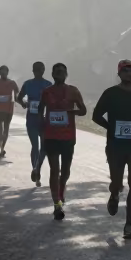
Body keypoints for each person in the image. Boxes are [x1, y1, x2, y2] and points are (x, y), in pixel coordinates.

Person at [92, 60, 131, 239]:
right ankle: (114, 194)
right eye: (124, 70)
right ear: (119, 73)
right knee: (117, 182)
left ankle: (128, 225)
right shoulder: (110, 93)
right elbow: (96, 116)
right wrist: (110, 127)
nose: (128, 73)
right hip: (115, 145)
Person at [38, 63, 86, 219]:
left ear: (66, 74)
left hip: (68, 137)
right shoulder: (47, 92)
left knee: (65, 171)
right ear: (52, 74)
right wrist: (42, 127)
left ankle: (61, 189)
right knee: (54, 169)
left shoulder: (73, 91)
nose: (59, 74)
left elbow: (83, 110)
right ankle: (57, 204)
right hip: (51, 136)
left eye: (62, 71)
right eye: (57, 71)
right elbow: (40, 110)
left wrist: (72, 111)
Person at [17, 62, 53, 185]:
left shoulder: (49, 85)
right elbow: (19, 97)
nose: (38, 72)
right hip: (32, 119)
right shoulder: (28, 84)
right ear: (33, 71)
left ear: (43, 70)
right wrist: (24, 104)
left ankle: (36, 168)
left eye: (40, 69)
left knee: (43, 147)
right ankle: (35, 170)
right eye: (36, 70)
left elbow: (53, 102)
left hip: (44, 120)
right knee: (35, 146)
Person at [0, 66, 21, 158]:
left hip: (8, 109)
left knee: (5, 128)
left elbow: (17, 94)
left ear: (7, 72)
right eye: (2, 72)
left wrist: (19, 102)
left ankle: (2, 147)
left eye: (5, 72)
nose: (3, 73)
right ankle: (1, 148)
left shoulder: (12, 83)